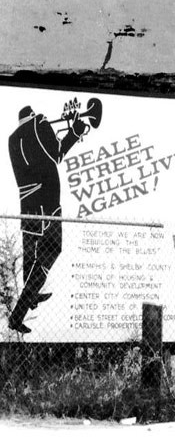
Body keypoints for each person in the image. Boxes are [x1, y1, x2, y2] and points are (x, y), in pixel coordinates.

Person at [7, 102, 93, 334]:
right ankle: (19, 312)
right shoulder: (41, 122)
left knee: (31, 253)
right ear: (33, 115)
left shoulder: (12, 138)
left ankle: (31, 296)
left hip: (27, 203)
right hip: (47, 202)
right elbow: (56, 153)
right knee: (51, 250)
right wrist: (74, 131)